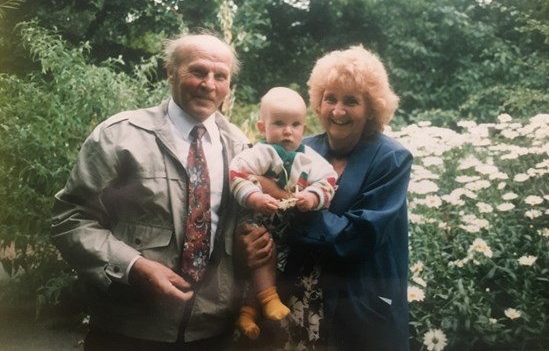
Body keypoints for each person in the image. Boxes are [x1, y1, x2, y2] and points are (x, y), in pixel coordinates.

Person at [51, 32, 252, 351]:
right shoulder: (120, 136)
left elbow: (245, 230)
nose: (209, 85)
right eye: (198, 71)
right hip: (127, 328)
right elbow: (70, 220)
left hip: (212, 333)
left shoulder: (241, 148)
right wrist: (134, 267)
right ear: (170, 71)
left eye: (220, 76)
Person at [238, 45, 413, 350]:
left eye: (351, 101)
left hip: (356, 308)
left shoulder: (391, 159)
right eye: (330, 98)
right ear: (317, 104)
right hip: (295, 300)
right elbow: (256, 206)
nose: (338, 111)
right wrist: (253, 242)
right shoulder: (300, 149)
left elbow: (357, 237)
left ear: (371, 108)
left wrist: (278, 196)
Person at [229, 87, 337, 340]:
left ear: (304, 128)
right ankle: (268, 300)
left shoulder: (310, 158)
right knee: (263, 251)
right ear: (262, 127)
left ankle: (248, 312)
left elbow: (328, 180)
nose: (287, 131)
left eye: (295, 124)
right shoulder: (260, 153)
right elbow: (237, 174)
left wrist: (311, 197)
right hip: (258, 219)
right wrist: (254, 197)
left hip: (287, 226)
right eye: (278, 124)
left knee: (276, 264)